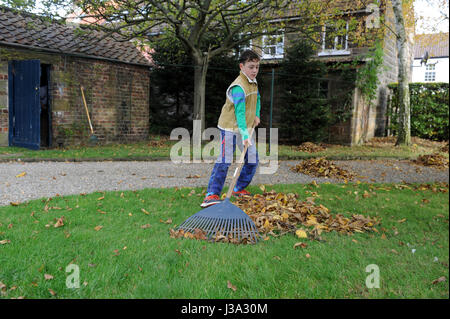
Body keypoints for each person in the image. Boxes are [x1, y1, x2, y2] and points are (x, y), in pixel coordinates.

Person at [201, 49, 261, 208]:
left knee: (253, 160)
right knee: (225, 160)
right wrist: (244, 134)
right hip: (230, 127)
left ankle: (238, 188)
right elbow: (239, 113)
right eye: (251, 67)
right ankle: (211, 194)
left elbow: (258, 98)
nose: (254, 70)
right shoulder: (238, 87)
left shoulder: (253, 82)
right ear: (241, 66)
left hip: (246, 127)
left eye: (256, 67)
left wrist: (256, 114)